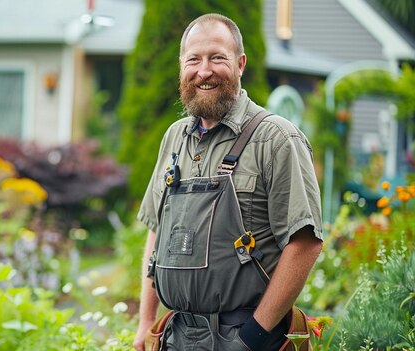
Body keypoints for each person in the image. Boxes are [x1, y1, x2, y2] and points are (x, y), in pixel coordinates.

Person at [133, 13, 323, 351]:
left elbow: (305, 244)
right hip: (177, 336)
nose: (204, 71)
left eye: (217, 58)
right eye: (194, 59)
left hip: (248, 336)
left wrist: (252, 338)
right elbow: (156, 231)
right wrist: (147, 322)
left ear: (240, 63)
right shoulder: (174, 138)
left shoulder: (276, 139)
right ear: (182, 66)